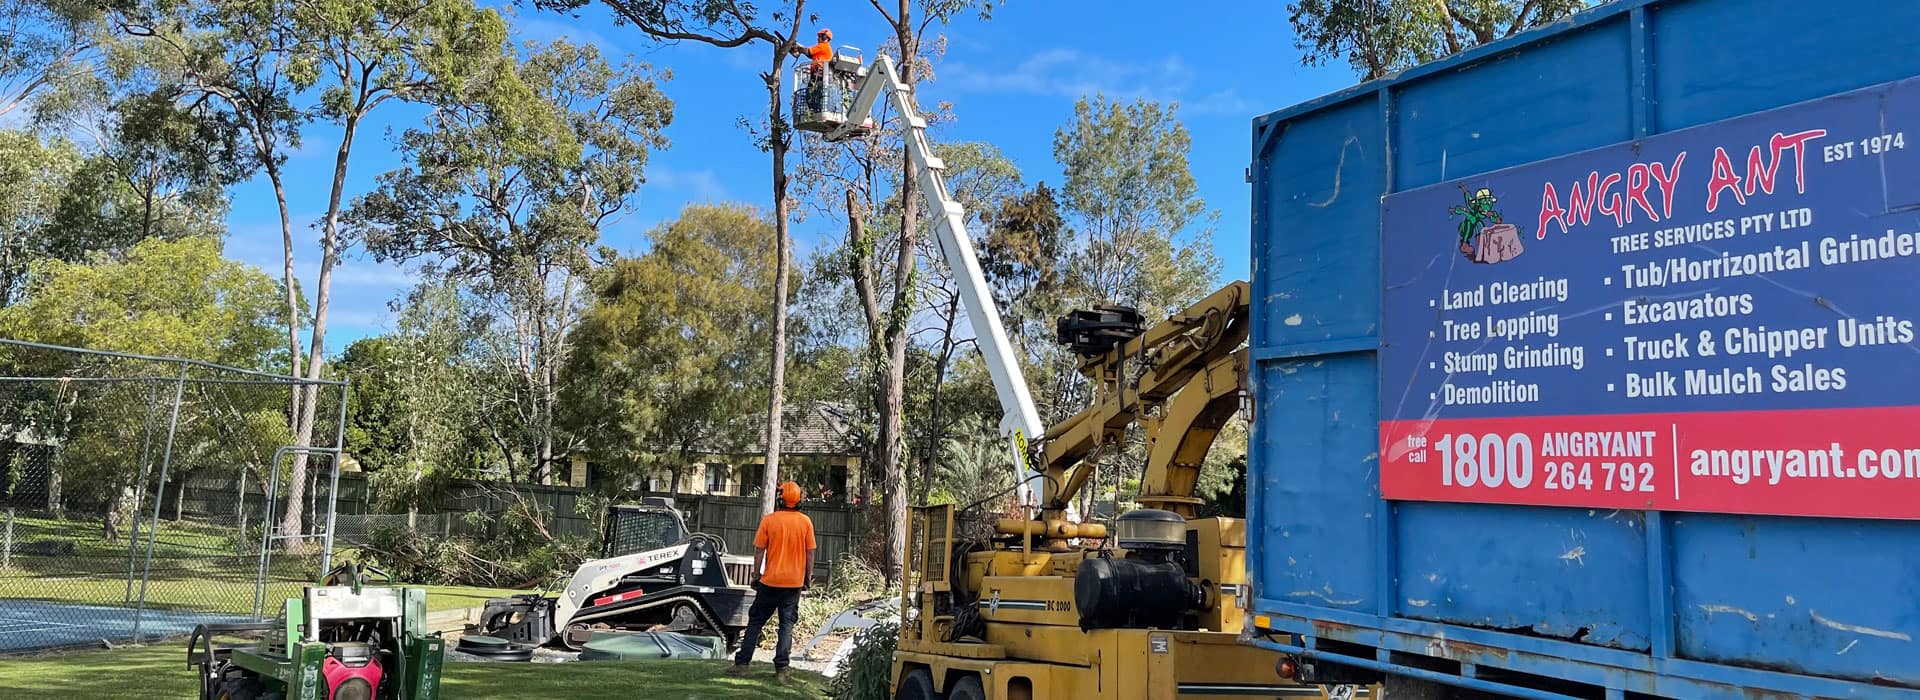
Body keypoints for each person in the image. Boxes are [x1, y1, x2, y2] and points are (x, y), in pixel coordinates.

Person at [727, 481, 816, 681]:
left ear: (780, 499)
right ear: (798, 501)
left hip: (769, 582)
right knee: (786, 625)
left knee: (756, 622)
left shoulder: (769, 520)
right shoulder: (805, 522)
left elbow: (759, 551)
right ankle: (782, 669)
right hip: (793, 584)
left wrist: (756, 575)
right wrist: (807, 578)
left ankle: (742, 664)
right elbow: (810, 554)